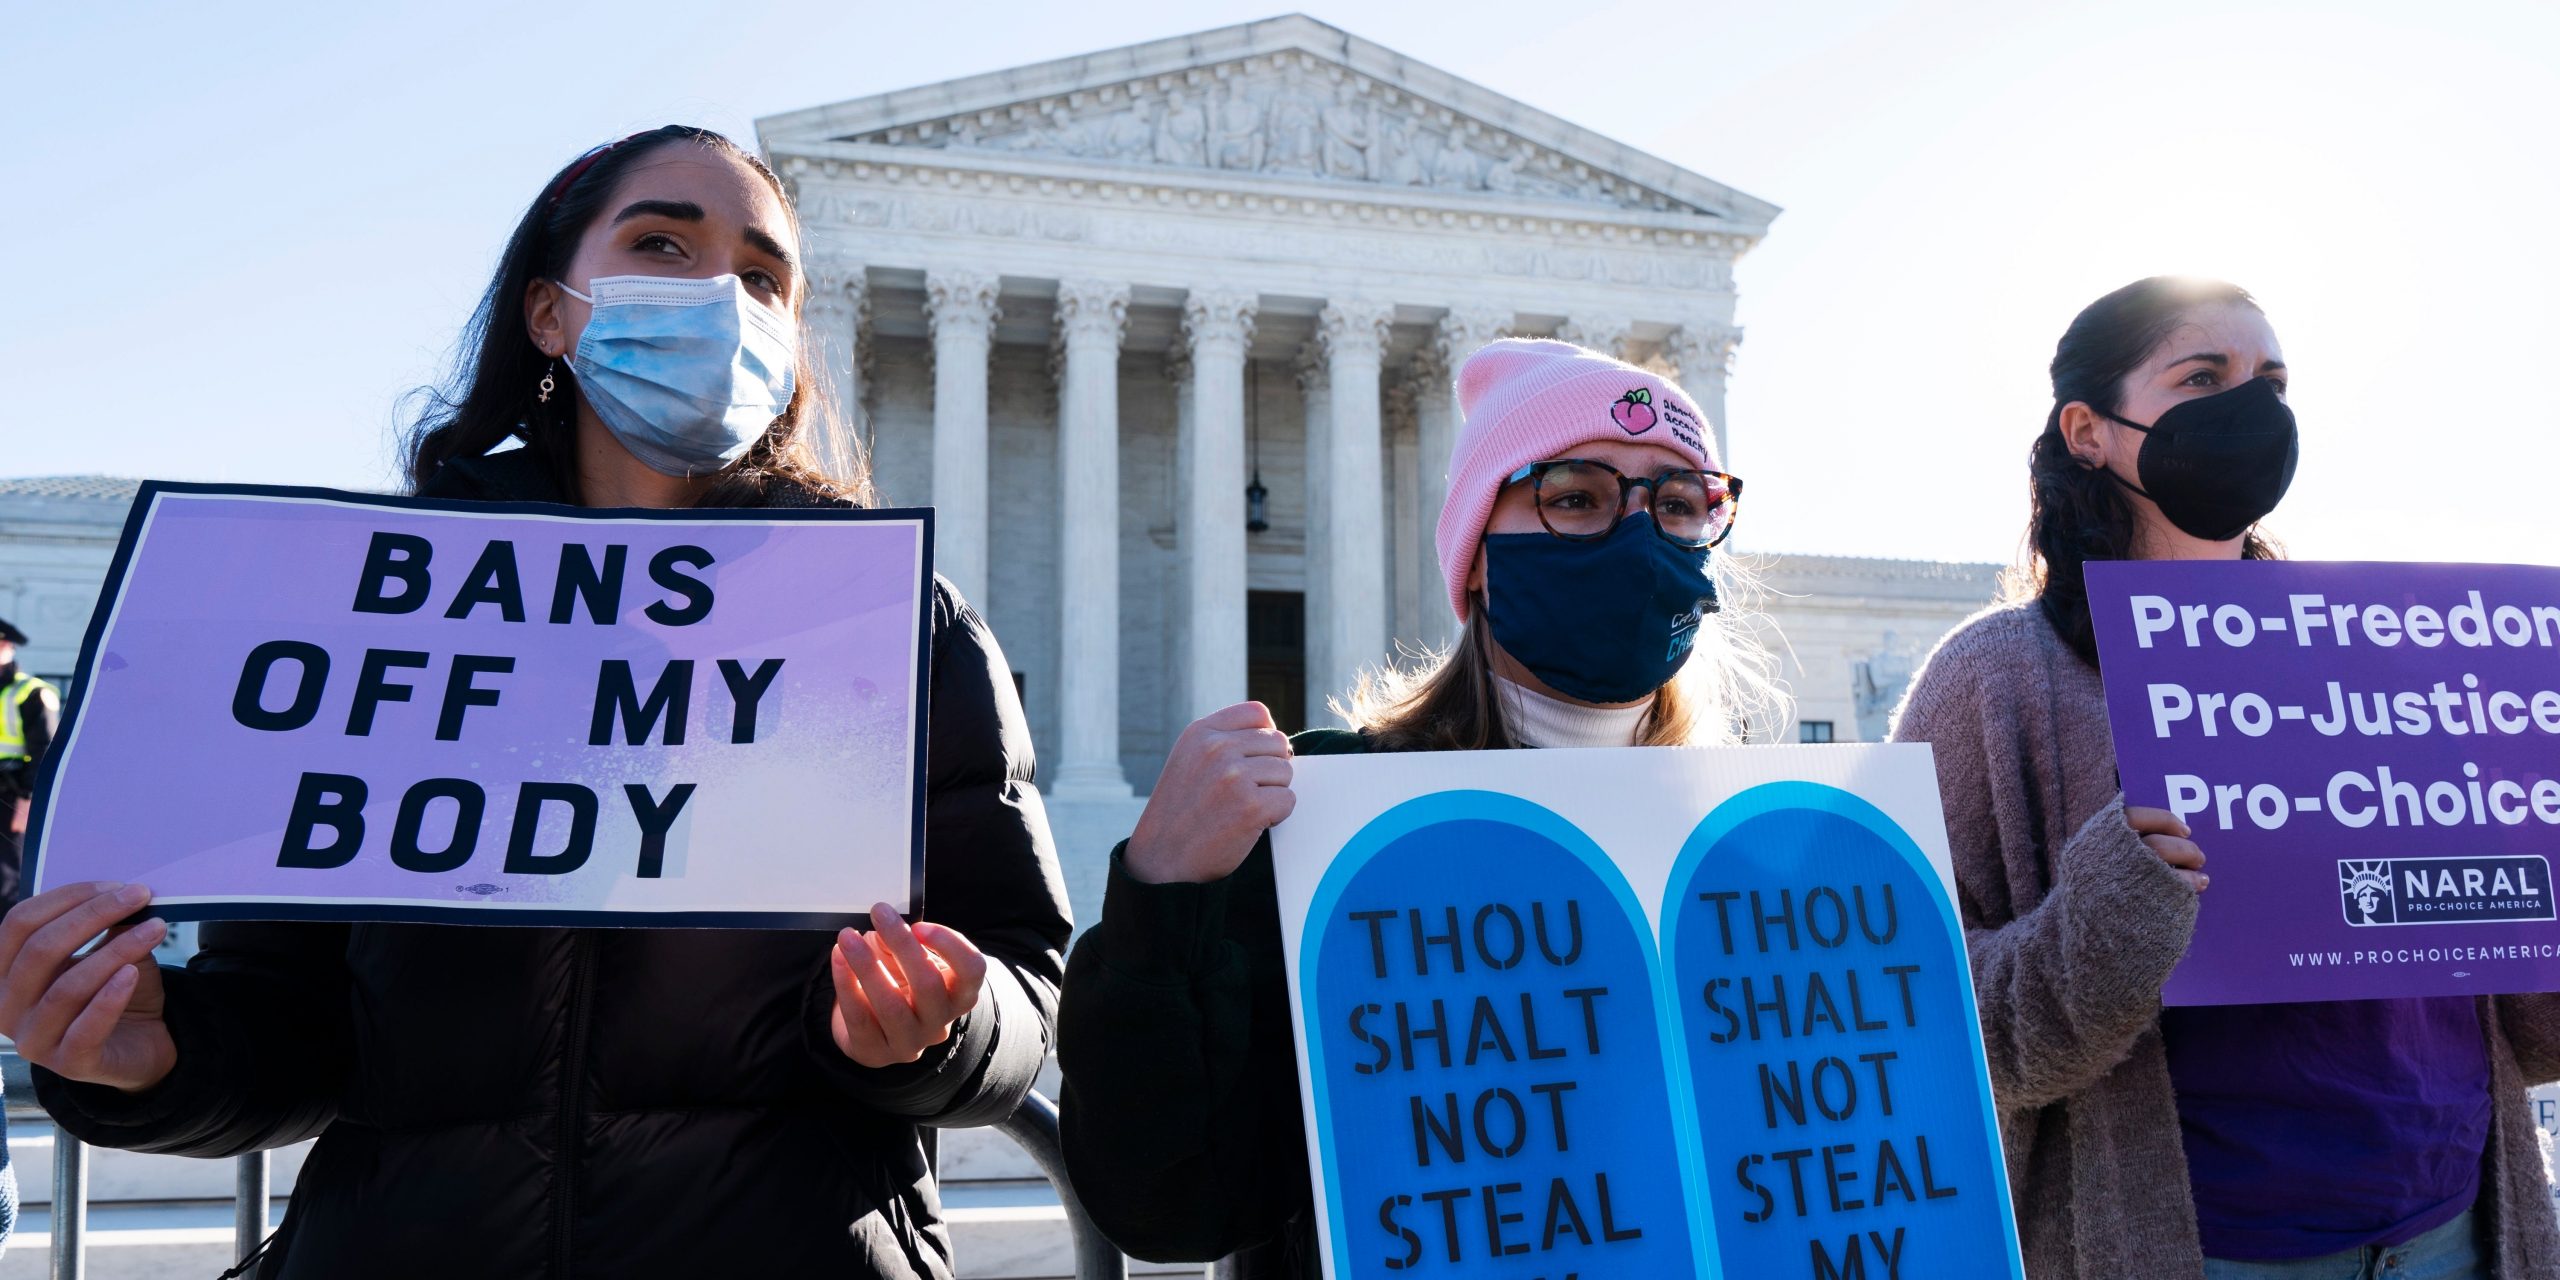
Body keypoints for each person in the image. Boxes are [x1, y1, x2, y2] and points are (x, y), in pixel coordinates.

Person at [0, 126, 1070, 1278]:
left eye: (761, 277)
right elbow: (297, 1015)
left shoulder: (892, 628)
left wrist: (942, 1029)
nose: (719, 294)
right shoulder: (375, 613)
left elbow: (1017, 969)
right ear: (549, 312)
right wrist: (154, 1058)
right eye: (662, 241)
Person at [1055, 339, 1782, 1276]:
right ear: (1478, 555)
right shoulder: (1316, 828)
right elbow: (1169, 1203)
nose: (1636, 539)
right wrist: (1160, 902)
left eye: (1678, 506)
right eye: (1574, 498)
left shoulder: (1760, 854)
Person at [1889, 276, 2560, 1280]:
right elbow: (1925, 1024)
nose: (2250, 408)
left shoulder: (2389, 652)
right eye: (2203, 375)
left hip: (2456, 1226)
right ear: (2088, 430)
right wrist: (2110, 903)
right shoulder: (1994, 681)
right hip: (2208, 1246)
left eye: (2271, 382)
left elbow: (2526, 1027)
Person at [0, 618, 60, 906]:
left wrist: (27, 801)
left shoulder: (32, 691)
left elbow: (44, 750)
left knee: (8, 875)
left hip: (11, 794)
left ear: (6, 646)